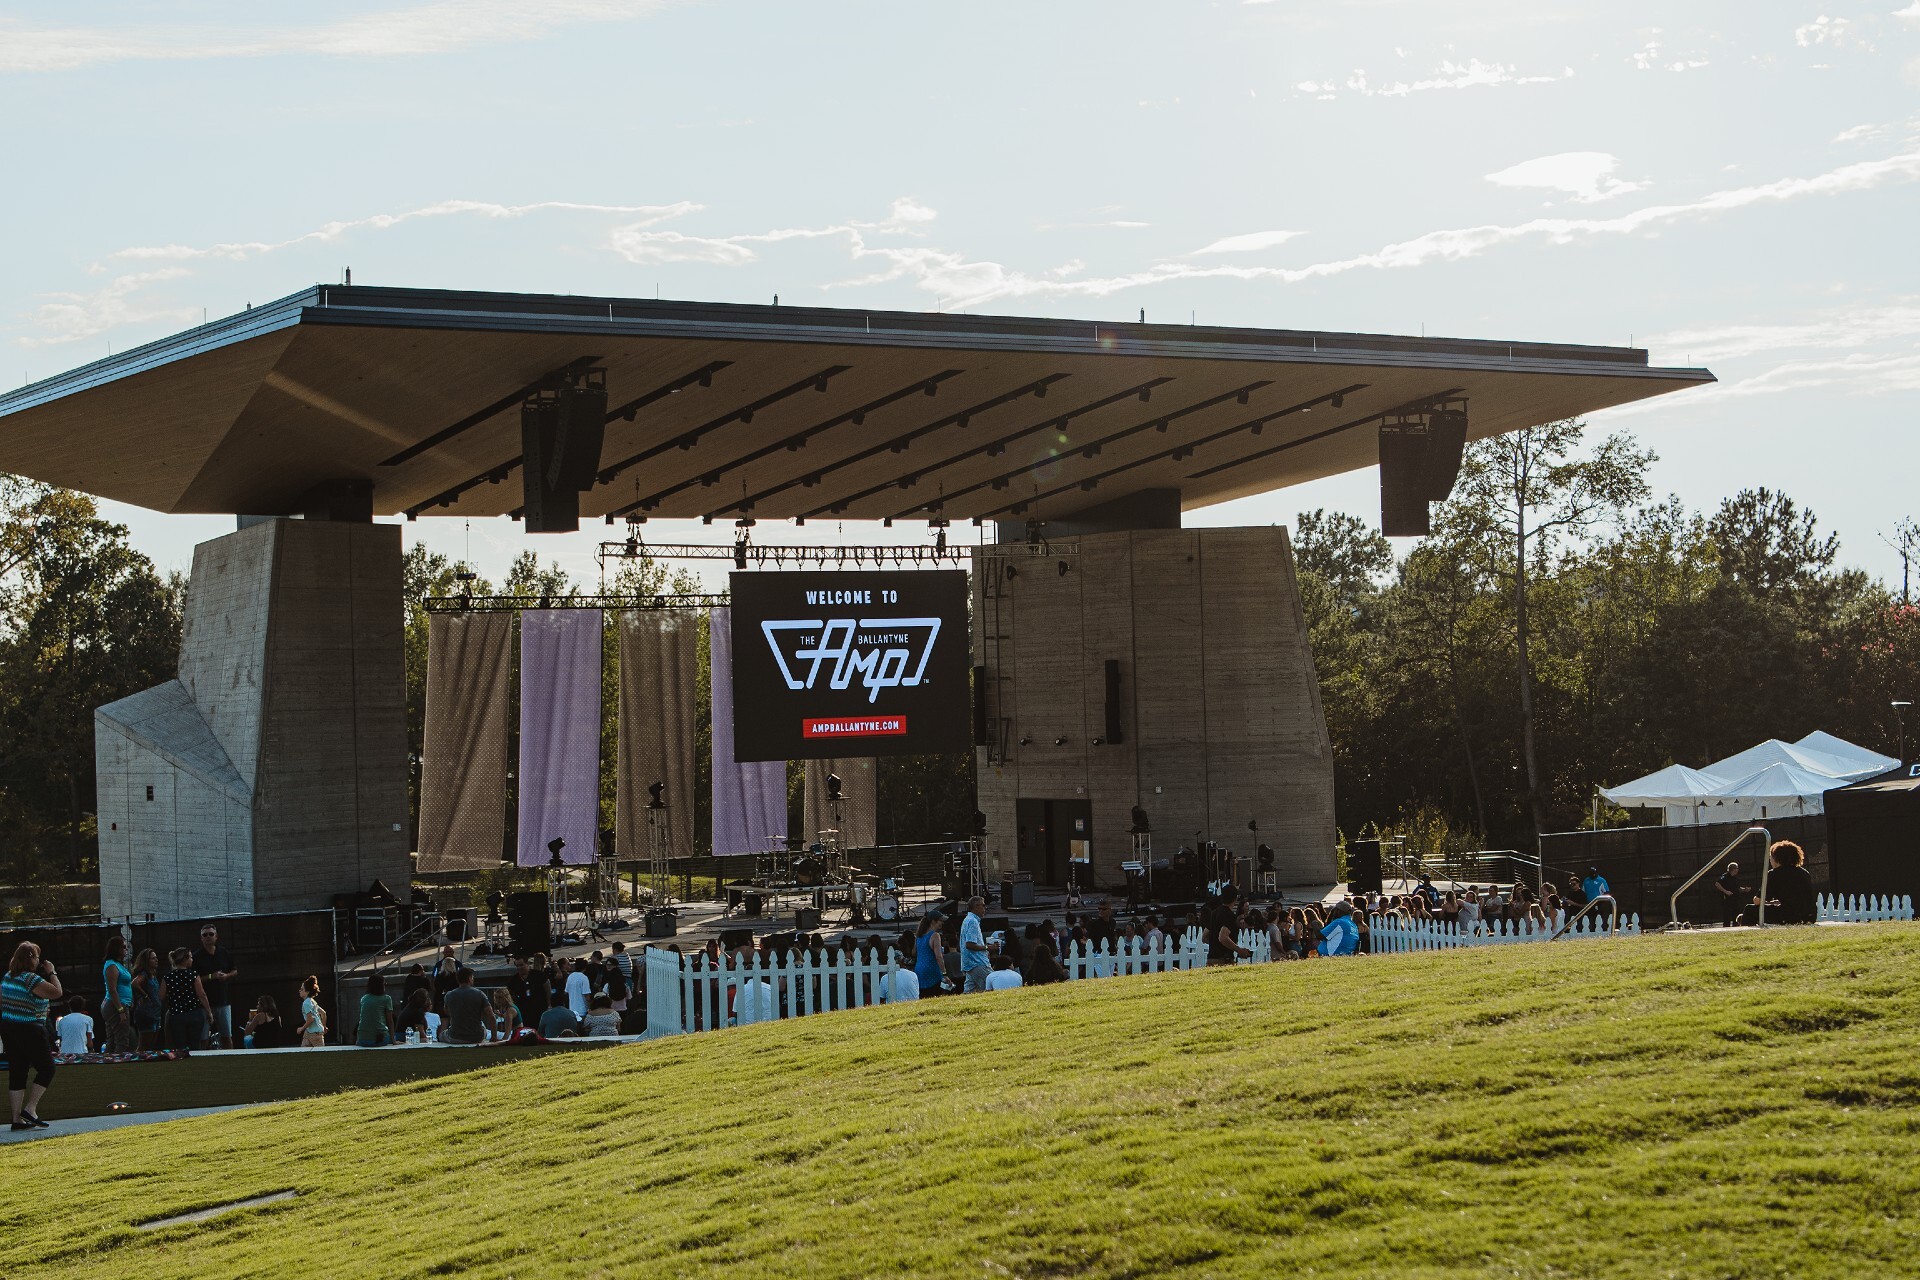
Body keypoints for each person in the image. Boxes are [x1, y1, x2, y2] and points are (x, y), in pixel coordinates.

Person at [4, 942, 64, 1130]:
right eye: (37, 957)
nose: (39, 961)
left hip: (8, 1027)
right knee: (47, 1068)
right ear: (30, 958)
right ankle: (30, 1109)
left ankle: (16, 1118)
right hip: (30, 1028)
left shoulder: (8, 977)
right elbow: (57, 993)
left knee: (18, 1071)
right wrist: (52, 972)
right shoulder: (30, 979)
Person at [191, 924, 239, 1049]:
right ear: (201, 938)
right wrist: (212, 976)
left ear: (216, 936)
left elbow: (235, 970)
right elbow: (194, 979)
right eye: (205, 935)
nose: (208, 937)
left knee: (226, 1035)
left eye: (211, 934)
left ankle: (230, 1059)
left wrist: (226, 976)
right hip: (205, 1004)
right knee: (203, 1037)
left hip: (223, 1001)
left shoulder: (223, 952)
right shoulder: (196, 957)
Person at [162, 948, 214, 1054]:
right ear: (185, 959)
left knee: (179, 1045)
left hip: (176, 1014)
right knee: (195, 1044)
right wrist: (209, 1012)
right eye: (190, 957)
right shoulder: (193, 975)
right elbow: (201, 994)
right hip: (193, 1013)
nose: (192, 959)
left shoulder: (168, 977)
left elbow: (161, 995)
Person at [1755, 841, 1818, 925]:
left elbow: (1757, 901)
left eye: (1771, 857)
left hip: (1789, 916)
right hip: (1809, 916)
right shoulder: (1804, 873)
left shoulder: (1774, 874)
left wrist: (1768, 902)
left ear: (1776, 858)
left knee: (1749, 910)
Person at [100, 936, 136, 1055]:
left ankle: (109, 1062)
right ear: (117, 949)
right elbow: (112, 989)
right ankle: (118, 1065)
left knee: (112, 1040)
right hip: (116, 1006)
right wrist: (120, 1010)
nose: (126, 949)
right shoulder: (111, 966)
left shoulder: (117, 964)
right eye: (124, 947)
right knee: (122, 1040)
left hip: (120, 1004)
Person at [442, 968, 495, 1045]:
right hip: (477, 1036)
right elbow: (492, 1017)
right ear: (470, 978)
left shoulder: (449, 995)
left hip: (455, 1036)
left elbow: (447, 1012)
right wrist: (494, 1037)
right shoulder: (480, 994)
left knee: (442, 1034)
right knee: (484, 1029)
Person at [130, 947, 164, 1051]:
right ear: (146, 961)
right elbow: (134, 984)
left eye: (156, 958)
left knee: (151, 1043)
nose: (156, 960)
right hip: (146, 1013)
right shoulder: (144, 974)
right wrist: (145, 995)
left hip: (155, 1012)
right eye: (153, 958)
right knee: (144, 1043)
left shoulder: (153, 975)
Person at [958, 897, 992, 994]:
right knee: (992, 986)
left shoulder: (967, 920)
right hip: (977, 962)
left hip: (969, 963)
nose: (985, 908)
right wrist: (987, 947)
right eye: (983, 905)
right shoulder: (973, 921)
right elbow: (970, 944)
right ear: (976, 907)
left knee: (968, 993)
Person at [1206, 895, 1251, 965]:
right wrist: (1239, 950)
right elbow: (1223, 938)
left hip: (1211, 958)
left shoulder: (1214, 913)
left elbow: (1204, 936)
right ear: (1235, 899)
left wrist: (1214, 944)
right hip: (1224, 960)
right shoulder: (1229, 915)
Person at [356, 972, 396, 1047]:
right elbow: (390, 1020)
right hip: (379, 1039)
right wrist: (393, 1040)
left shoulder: (364, 998)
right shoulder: (386, 999)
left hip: (362, 1039)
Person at [914, 911, 948, 996]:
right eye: (940, 921)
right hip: (932, 970)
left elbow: (914, 952)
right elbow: (938, 957)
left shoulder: (919, 936)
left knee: (924, 996)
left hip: (919, 970)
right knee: (936, 995)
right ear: (933, 921)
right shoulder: (935, 935)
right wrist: (944, 974)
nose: (942, 923)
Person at [297, 975, 328, 1047]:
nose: (299, 991)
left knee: (320, 1056)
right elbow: (323, 1013)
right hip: (311, 1032)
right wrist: (324, 1026)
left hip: (315, 1034)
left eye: (301, 989)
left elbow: (311, 1019)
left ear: (307, 992)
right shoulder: (312, 1001)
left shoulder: (306, 1003)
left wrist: (301, 1028)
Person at [1716, 861, 1745, 928]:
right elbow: (1717, 884)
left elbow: (1737, 888)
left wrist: (1744, 889)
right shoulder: (1725, 876)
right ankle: (1726, 929)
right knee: (1727, 917)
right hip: (1727, 900)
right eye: (1736, 868)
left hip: (1735, 899)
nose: (1737, 870)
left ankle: (1736, 927)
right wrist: (1725, 891)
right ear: (1732, 869)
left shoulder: (1735, 878)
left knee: (1736, 915)